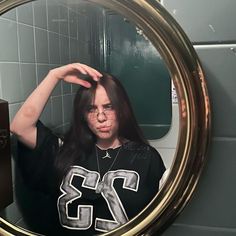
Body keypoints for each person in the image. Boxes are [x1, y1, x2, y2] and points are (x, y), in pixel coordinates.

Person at [10, 63, 166, 235]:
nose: (101, 117)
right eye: (91, 109)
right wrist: (54, 76)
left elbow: (159, 217)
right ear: (82, 115)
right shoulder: (65, 150)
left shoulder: (146, 157)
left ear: (122, 109)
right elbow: (20, 127)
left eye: (108, 106)